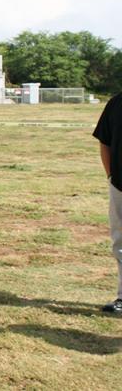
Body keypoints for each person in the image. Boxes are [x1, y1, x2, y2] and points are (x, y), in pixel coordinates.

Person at [93, 92, 122, 313]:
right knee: (120, 244)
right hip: (120, 185)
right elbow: (105, 142)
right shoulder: (116, 103)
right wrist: (111, 177)